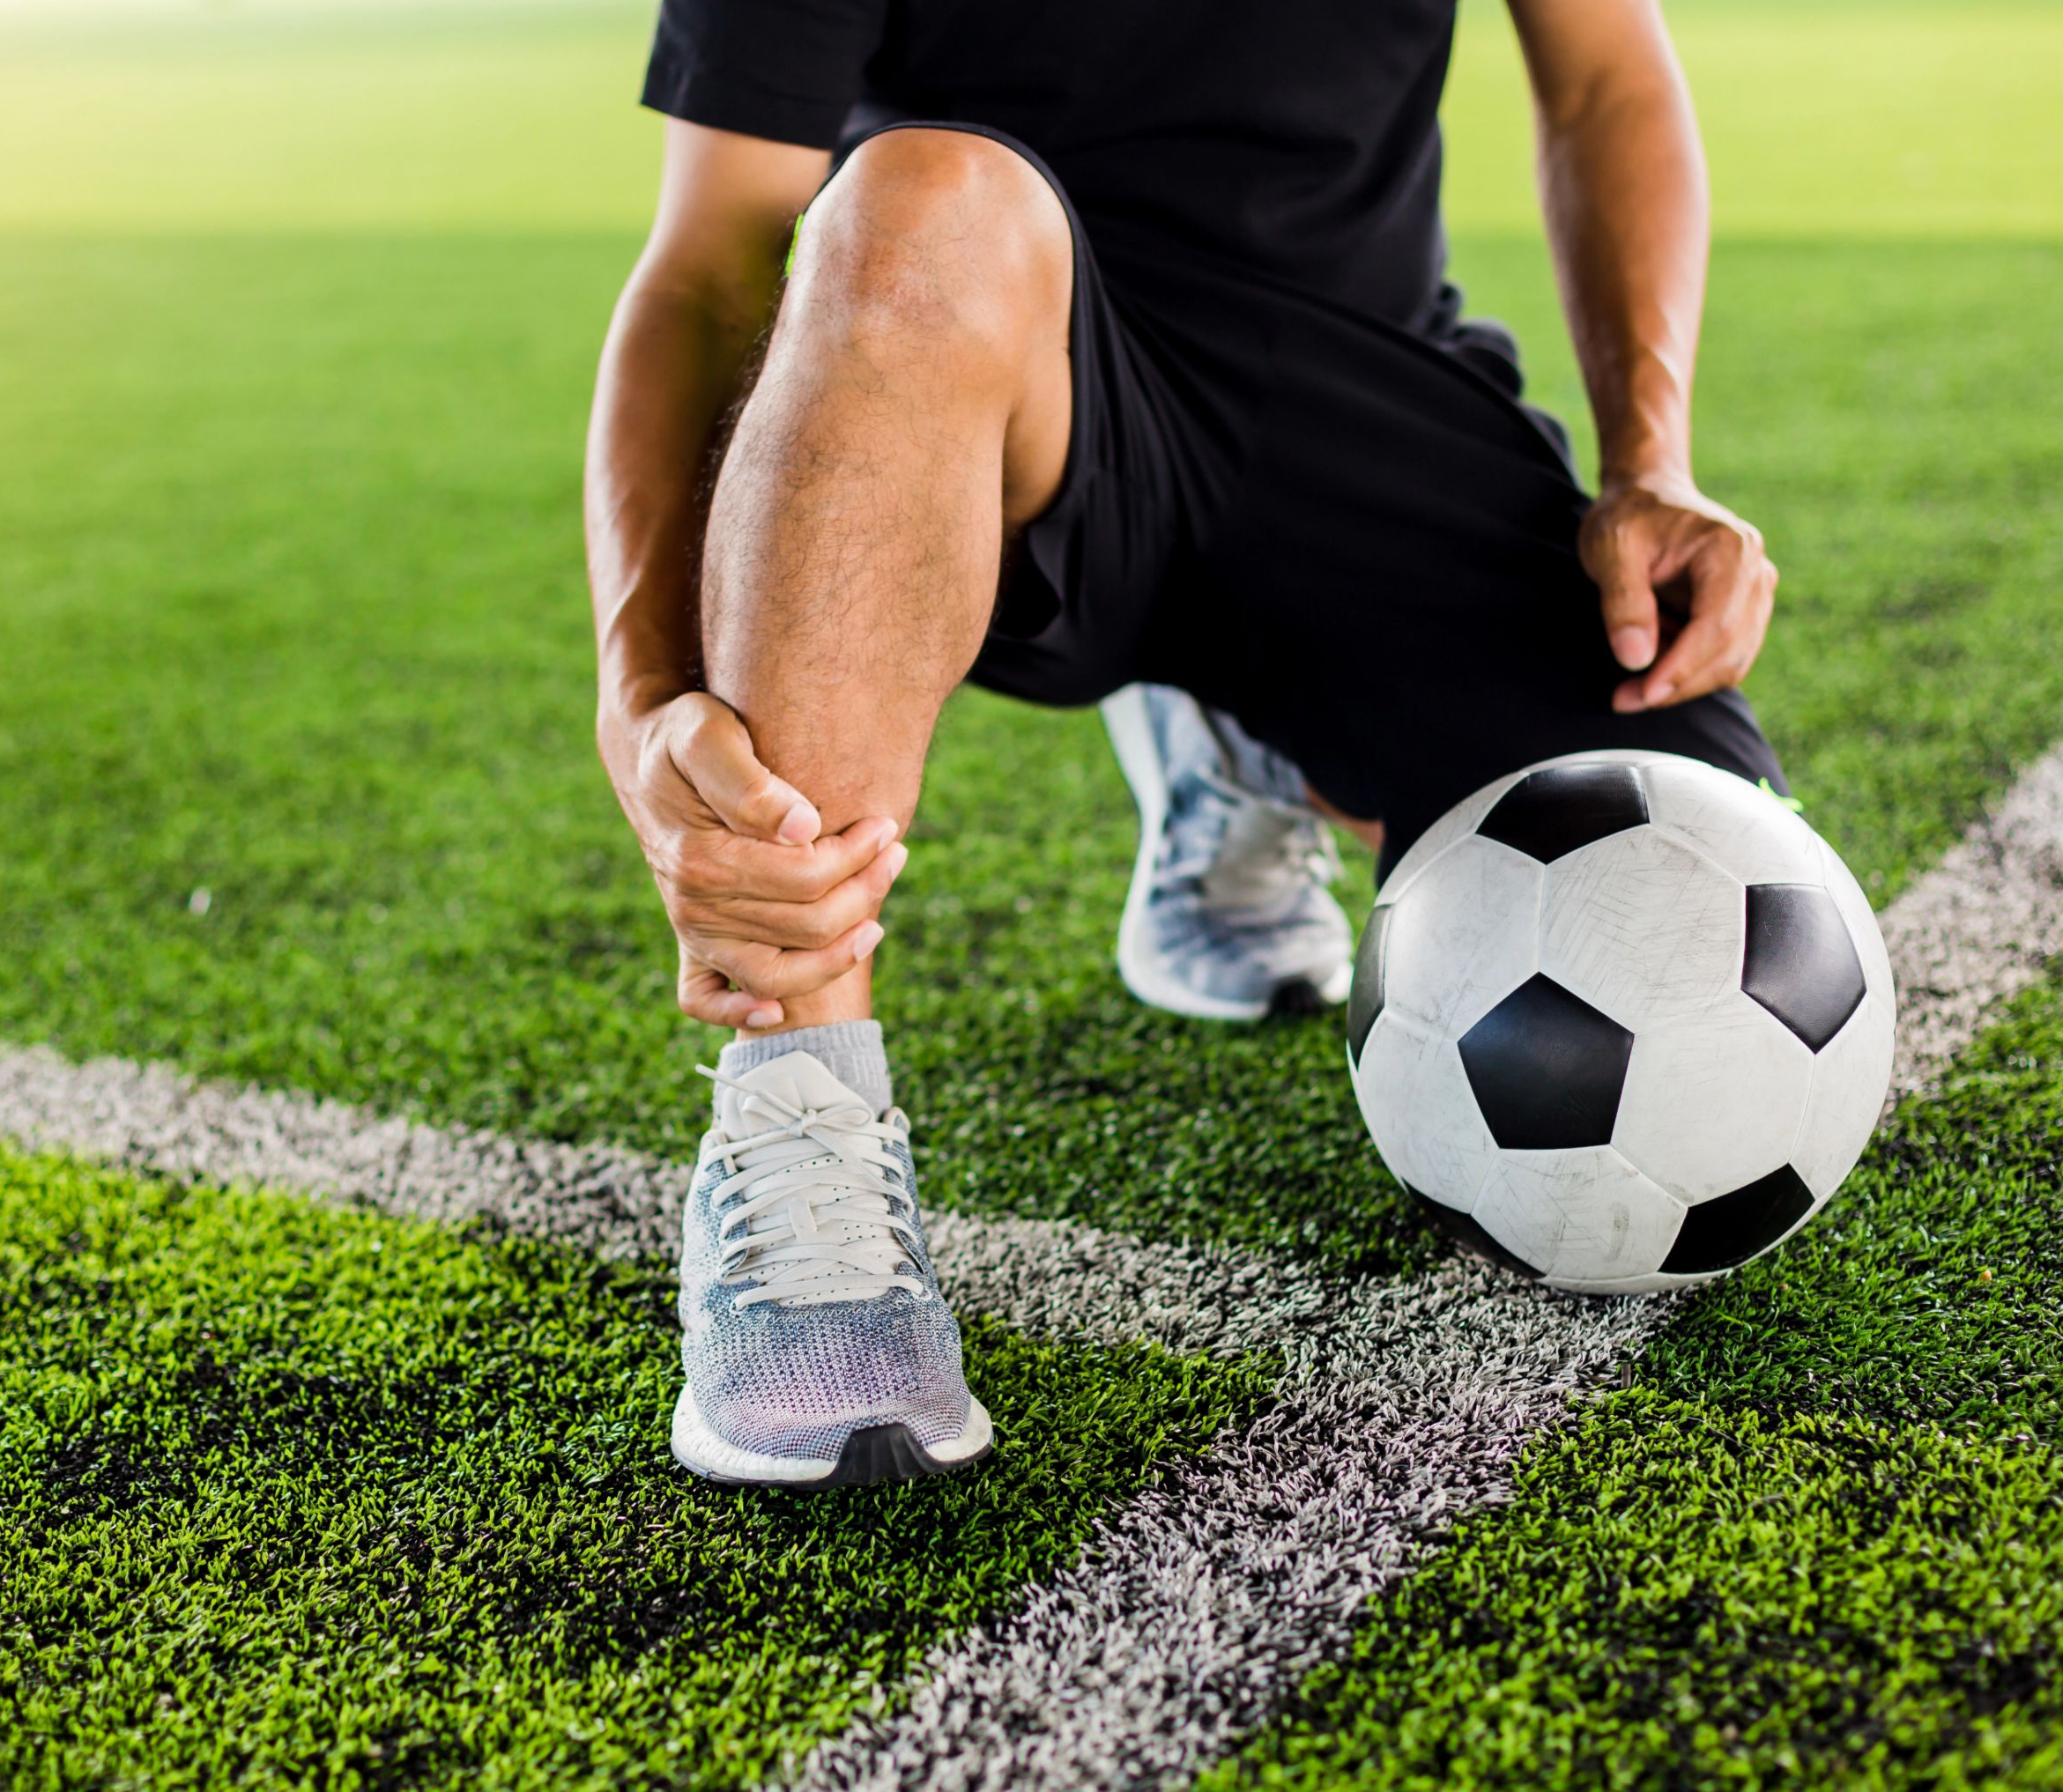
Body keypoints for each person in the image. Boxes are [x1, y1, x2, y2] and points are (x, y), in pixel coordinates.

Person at [584, 0, 1786, 1486]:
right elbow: (711, 262)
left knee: (1694, 861)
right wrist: (640, 691)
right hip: (988, 402)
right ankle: (797, 1105)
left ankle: (1235, 733)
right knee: (919, 200)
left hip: (1352, 380)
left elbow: (1605, 78)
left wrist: (1650, 460)